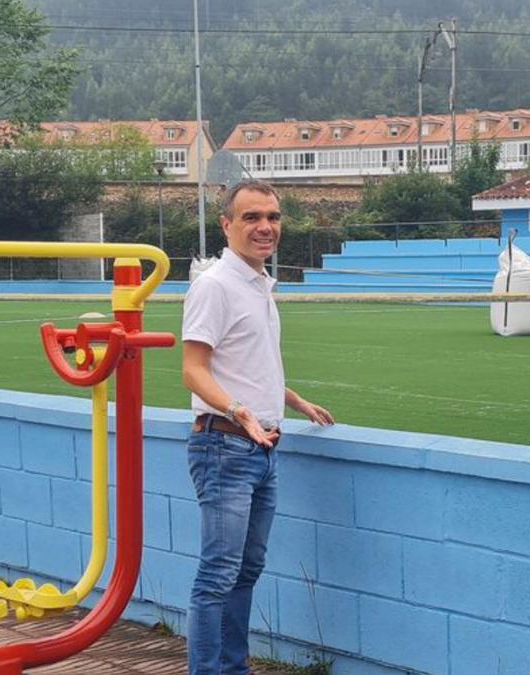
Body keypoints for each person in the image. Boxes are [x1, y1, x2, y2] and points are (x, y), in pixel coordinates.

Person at [180, 180, 335, 674]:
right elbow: (194, 369)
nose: (265, 226)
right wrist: (239, 411)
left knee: (245, 571)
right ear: (226, 226)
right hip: (226, 446)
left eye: (272, 216)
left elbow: (247, 363)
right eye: (251, 217)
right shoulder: (215, 286)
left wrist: (293, 400)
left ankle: (233, 668)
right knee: (218, 576)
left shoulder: (258, 284)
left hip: (260, 448)